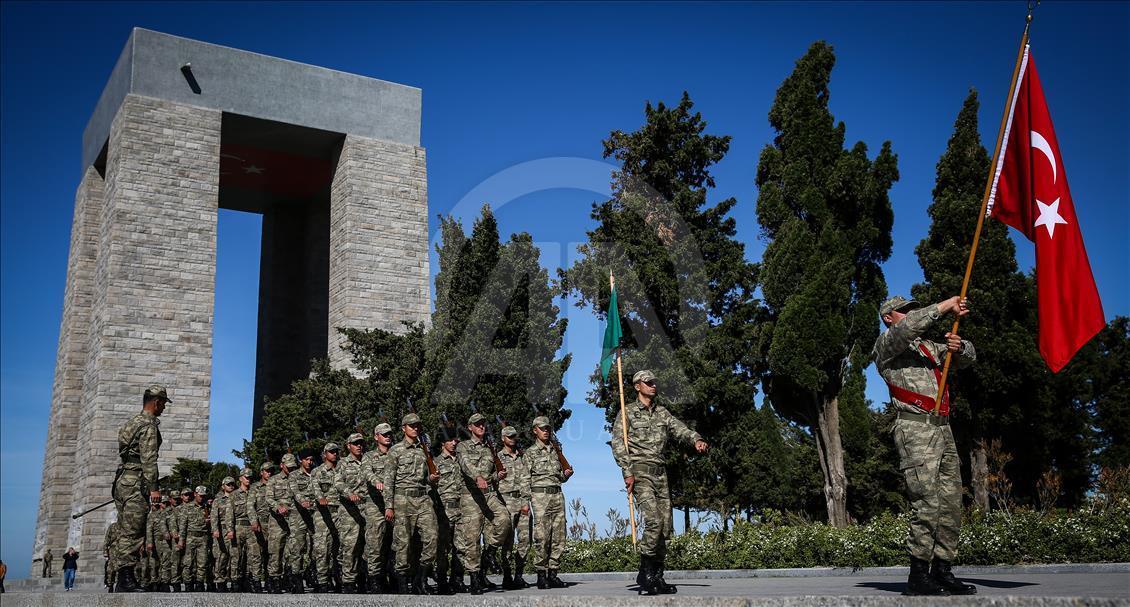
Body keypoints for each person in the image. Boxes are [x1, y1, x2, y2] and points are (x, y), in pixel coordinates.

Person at [872, 294, 978, 597]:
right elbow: (910, 329)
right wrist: (946, 306)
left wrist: (961, 347)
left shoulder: (928, 348)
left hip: (943, 429)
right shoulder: (887, 346)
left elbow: (967, 359)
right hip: (915, 430)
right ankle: (918, 575)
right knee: (927, 502)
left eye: (912, 309)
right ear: (889, 317)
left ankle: (942, 570)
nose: (911, 313)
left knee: (950, 504)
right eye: (904, 310)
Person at [612, 369, 708, 595]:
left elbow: (680, 429)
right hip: (640, 472)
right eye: (648, 382)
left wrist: (696, 440)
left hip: (660, 473)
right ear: (637, 386)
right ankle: (644, 572)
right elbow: (618, 445)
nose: (653, 385)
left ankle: (657, 575)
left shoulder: (662, 413)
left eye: (654, 382)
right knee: (653, 521)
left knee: (665, 527)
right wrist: (627, 471)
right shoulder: (627, 413)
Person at [110, 384, 168, 592]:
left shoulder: (131, 423)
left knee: (124, 529)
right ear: (156, 402)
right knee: (133, 532)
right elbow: (149, 459)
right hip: (136, 483)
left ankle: (123, 577)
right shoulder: (148, 426)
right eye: (163, 404)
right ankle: (125, 580)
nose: (163, 408)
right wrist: (154, 488)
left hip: (123, 480)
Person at [456, 412, 511, 595]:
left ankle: (490, 551)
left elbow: (491, 476)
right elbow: (465, 465)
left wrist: (497, 476)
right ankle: (474, 578)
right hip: (470, 496)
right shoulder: (462, 447)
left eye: (483, 424)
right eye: (477, 424)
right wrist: (477, 476)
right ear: (470, 427)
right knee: (472, 539)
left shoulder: (490, 448)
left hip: (488, 495)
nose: (481, 426)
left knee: (504, 519)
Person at [385, 413, 441, 594]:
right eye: (411, 426)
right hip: (402, 499)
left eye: (417, 425)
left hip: (423, 498)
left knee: (432, 537)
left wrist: (432, 478)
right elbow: (389, 481)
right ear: (403, 428)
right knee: (403, 542)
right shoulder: (396, 450)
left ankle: (420, 579)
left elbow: (428, 478)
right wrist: (389, 505)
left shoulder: (425, 449)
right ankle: (402, 583)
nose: (415, 428)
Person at [528, 416, 573, 589]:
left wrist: (566, 475)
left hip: (557, 495)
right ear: (535, 431)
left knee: (559, 535)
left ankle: (553, 573)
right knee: (542, 536)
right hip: (540, 497)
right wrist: (526, 501)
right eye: (542, 428)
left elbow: (559, 477)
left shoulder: (556, 451)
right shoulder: (530, 453)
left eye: (547, 428)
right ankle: (541, 574)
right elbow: (525, 479)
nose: (546, 431)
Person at [496, 425, 531, 590]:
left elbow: (527, 480)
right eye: (509, 437)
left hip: (523, 501)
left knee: (525, 539)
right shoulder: (497, 457)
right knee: (507, 542)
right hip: (506, 501)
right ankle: (507, 575)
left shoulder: (523, 457)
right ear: (503, 438)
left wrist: (526, 501)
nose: (512, 439)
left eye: (514, 436)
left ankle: (519, 575)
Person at [361, 422, 394, 593]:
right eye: (384, 434)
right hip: (376, 506)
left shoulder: (396, 454)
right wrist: (377, 482)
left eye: (389, 434)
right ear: (376, 437)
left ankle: (393, 576)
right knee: (375, 544)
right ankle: (374, 579)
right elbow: (367, 472)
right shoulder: (369, 456)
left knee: (395, 544)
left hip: (395, 504)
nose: (388, 436)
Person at [335, 433, 368, 593]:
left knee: (369, 545)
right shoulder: (343, 463)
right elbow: (338, 482)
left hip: (368, 508)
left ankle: (363, 578)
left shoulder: (368, 460)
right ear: (348, 446)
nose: (359, 446)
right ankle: (348, 581)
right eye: (355, 443)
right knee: (350, 546)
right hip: (350, 510)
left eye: (361, 443)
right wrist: (349, 493)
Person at [434, 426, 465, 593]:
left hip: (462, 509)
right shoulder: (436, 462)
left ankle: (457, 578)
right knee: (443, 548)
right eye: (450, 440)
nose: (454, 443)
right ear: (443, 443)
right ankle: (442, 580)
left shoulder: (462, 460)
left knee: (461, 547)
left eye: (455, 440)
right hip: (444, 511)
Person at [311, 443, 341, 593]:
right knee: (323, 549)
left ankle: (340, 579)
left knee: (342, 549)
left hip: (342, 512)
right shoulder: (317, 472)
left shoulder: (343, 469)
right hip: (324, 513)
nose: (334, 454)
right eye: (331, 452)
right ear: (324, 454)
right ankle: (322, 581)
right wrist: (321, 498)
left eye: (336, 451)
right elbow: (316, 489)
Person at [288, 450, 317, 594]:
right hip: (298, 516)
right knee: (297, 549)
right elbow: (295, 492)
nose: (309, 462)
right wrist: (303, 501)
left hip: (314, 516)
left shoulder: (316, 474)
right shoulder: (293, 475)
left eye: (311, 459)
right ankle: (296, 579)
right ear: (301, 461)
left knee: (317, 548)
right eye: (306, 459)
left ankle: (313, 574)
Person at [266, 454, 295, 593]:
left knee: (292, 551)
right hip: (277, 522)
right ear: (282, 465)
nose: (291, 469)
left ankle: (288, 579)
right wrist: (278, 507)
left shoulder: (296, 478)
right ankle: (274, 579)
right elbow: (269, 498)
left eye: (293, 467)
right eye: (289, 467)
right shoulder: (273, 480)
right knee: (276, 551)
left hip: (294, 520)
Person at [246, 463, 273, 592]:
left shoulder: (275, 484)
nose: (270, 473)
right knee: (256, 554)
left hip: (274, 523)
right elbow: (250, 506)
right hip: (259, 523)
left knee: (273, 554)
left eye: (271, 471)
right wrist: (254, 522)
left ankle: (270, 580)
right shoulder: (255, 488)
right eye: (267, 471)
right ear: (261, 472)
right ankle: (256, 581)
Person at [179, 486, 210, 592]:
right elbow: (183, 525)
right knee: (188, 563)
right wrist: (181, 539)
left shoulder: (207, 507)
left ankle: (199, 583)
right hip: (190, 537)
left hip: (203, 537)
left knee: (202, 562)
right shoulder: (187, 507)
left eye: (203, 496)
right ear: (195, 494)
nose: (202, 498)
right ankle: (188, 583)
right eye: (200, 495)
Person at [230, 468, 255, 592]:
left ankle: (248, 580)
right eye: (246, 477)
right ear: (240, 478)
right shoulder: (234, 495)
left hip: (252, 527)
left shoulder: (254, 492)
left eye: (250, 477)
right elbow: (229, 515)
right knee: (237, 556)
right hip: (238, 527)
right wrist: (230, 530)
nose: (248, 479)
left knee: (252, 556)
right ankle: (235, 581)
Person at [211, 477, 237, 592]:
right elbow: (214, 517)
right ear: (223, 486)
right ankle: (220, 581)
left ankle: (234, 581)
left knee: (235, 557)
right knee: (222, 557)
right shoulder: (218, 500)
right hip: (222, 531)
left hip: (235, 529)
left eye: (232, 484)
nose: (231, 486)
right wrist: (215, 530)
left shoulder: (237, 497)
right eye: (228, 484)